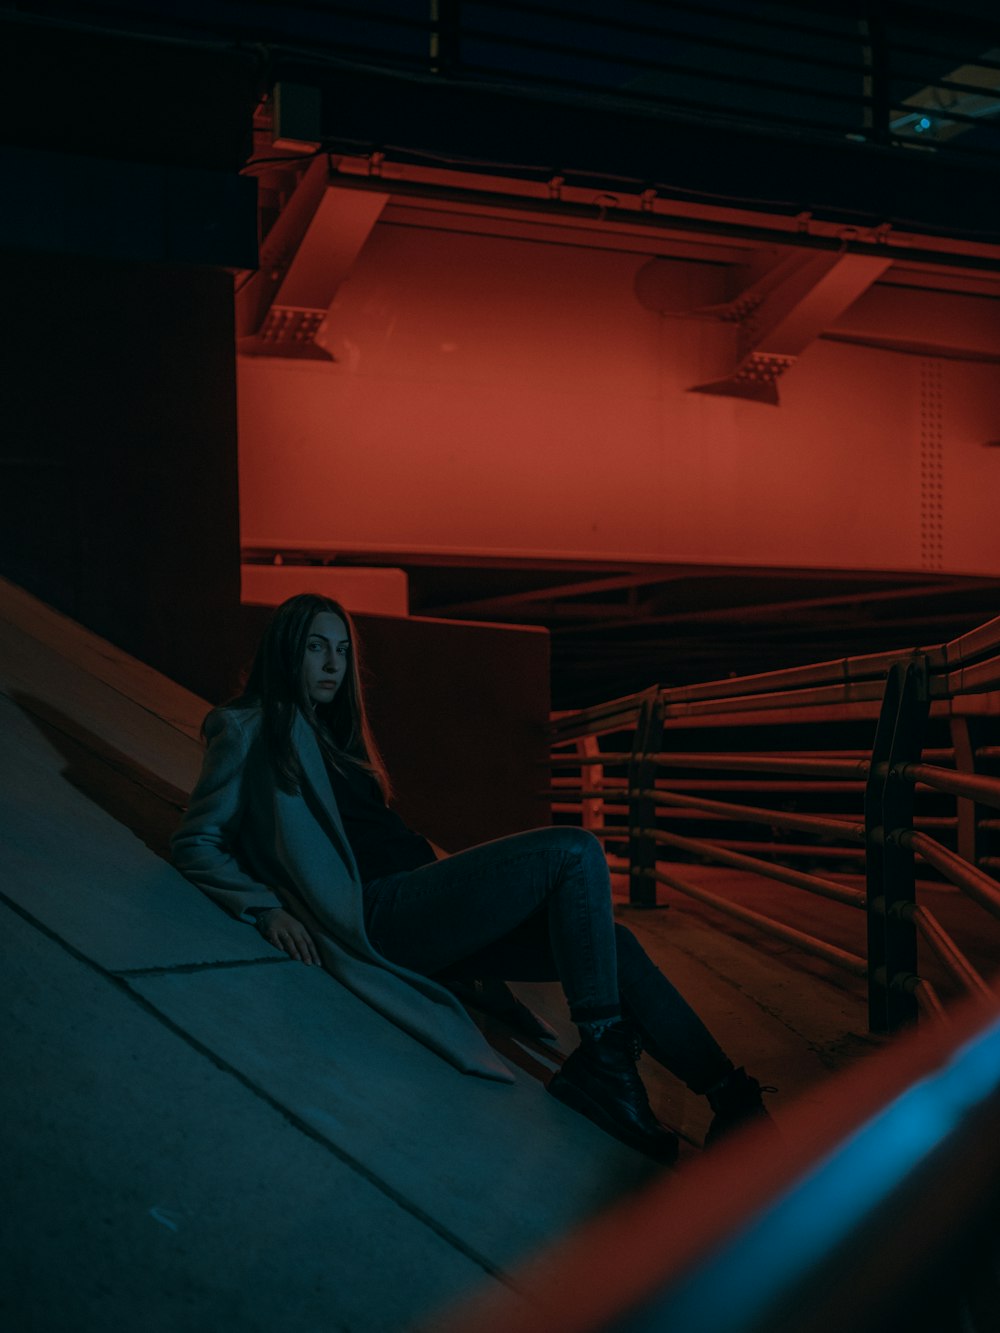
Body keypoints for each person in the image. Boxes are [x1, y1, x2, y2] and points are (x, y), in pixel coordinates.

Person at [171, 593, 773, 1164]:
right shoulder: (246, 728)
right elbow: (198, 840)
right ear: (286, 651)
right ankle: (605, 1064)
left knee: (612, 943)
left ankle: (731, 1099)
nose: (334, 663)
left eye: (343, 650)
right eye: (315, 648)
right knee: (574, 850)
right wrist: (264, 908)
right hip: (379, 915)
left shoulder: (339, 741)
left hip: (426, 911)